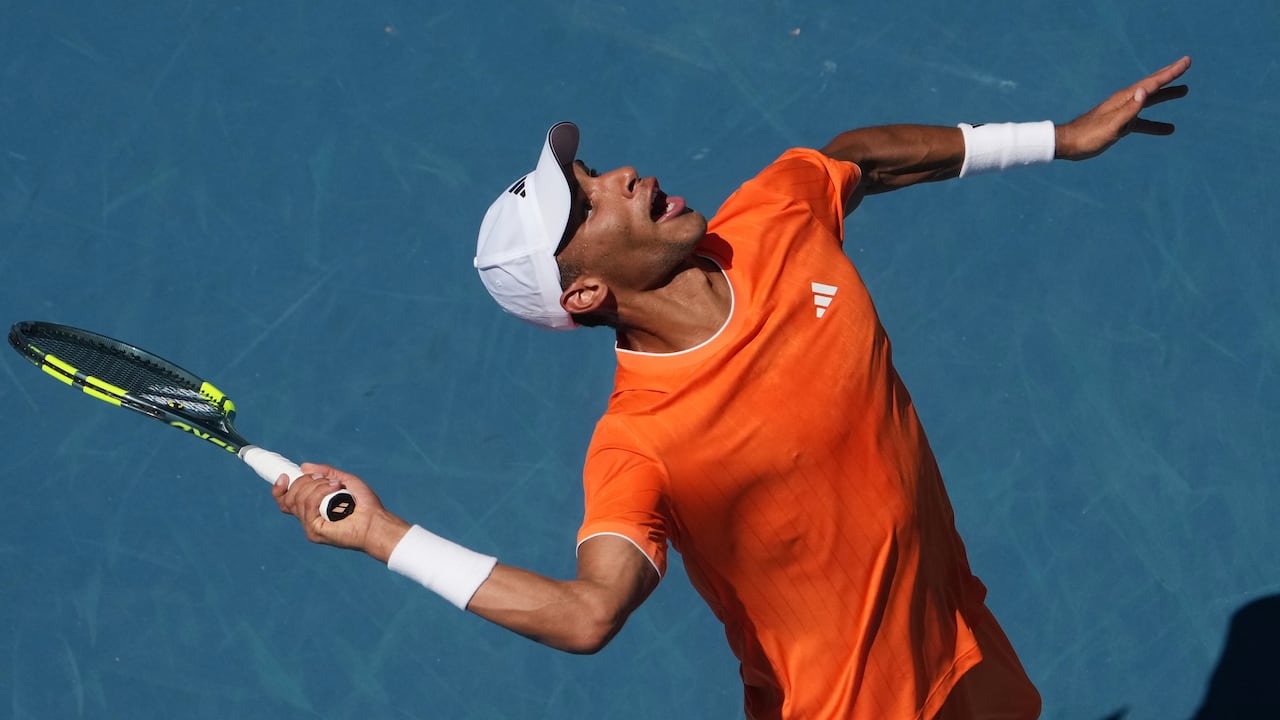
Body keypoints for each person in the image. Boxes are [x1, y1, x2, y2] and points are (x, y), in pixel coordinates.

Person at [273, 56, 1192, 719]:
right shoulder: (642, 443)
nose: (623, 178)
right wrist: (382, 534)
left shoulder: (775, 217)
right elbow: (587, 613)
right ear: (585, 293)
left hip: (956, 639)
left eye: (595, 174)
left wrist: (1060, 138)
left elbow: (859, 156)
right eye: (590, 206)